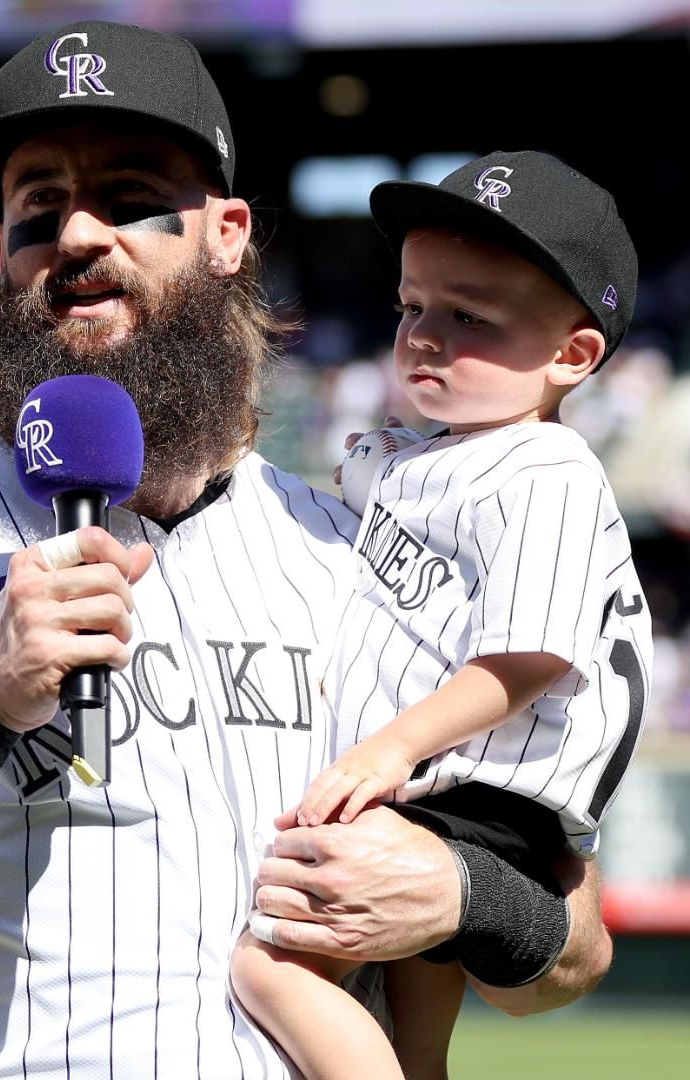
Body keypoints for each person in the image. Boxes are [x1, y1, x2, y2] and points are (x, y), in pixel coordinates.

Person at [0, 21, 614, 1078]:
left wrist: (459, 895)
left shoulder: (360, 552)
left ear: (227, 234)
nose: (79, 234)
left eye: (130, 198)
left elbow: (573, 954)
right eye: (37, 208)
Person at [230, 151, 650, 1080]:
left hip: (478, 787)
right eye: (411, 307)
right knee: (417, 1002)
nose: (423, 335)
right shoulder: (430, 457)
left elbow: (526, 658)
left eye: (470, 318)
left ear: (571, 356)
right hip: (463, 789)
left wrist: (389, 752)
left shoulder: (546, 472)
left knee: (274, 965)